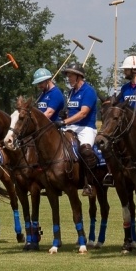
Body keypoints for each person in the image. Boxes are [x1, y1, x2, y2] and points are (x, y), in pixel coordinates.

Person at [102, 55, 136, 186]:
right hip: (126, 127)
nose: (124, 72)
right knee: (109, 144)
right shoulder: (125, 88)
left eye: (126, 69)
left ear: (134, 70)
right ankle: (112, 173)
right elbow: (116, 105)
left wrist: (133, 119)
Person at [57, 64, 99, 197]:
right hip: (71, 126)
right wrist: (64, 115)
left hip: (86, 128)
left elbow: (83, 113)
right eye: (68, 76)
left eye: (70, 76)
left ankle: (89, 183)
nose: (68, 78)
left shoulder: (89, 91)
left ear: (79, 76)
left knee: (86, 150)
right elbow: (70, 112)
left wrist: (64, 122)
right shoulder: (70, 93)